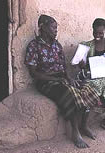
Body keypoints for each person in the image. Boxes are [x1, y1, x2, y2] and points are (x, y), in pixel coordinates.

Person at [24, 14, 100, 148]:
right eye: (53, 28)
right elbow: (34, 73)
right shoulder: (34, 46)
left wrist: (69, 78)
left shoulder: (57, 45)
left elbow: (63, 67)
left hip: (61, 78)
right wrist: (56, 79)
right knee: (70, 92)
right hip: (45, 81)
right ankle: (75, 132)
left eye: (56, 28)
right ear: (43, 27)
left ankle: (84, 125)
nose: (56, 30)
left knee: (88, 87)